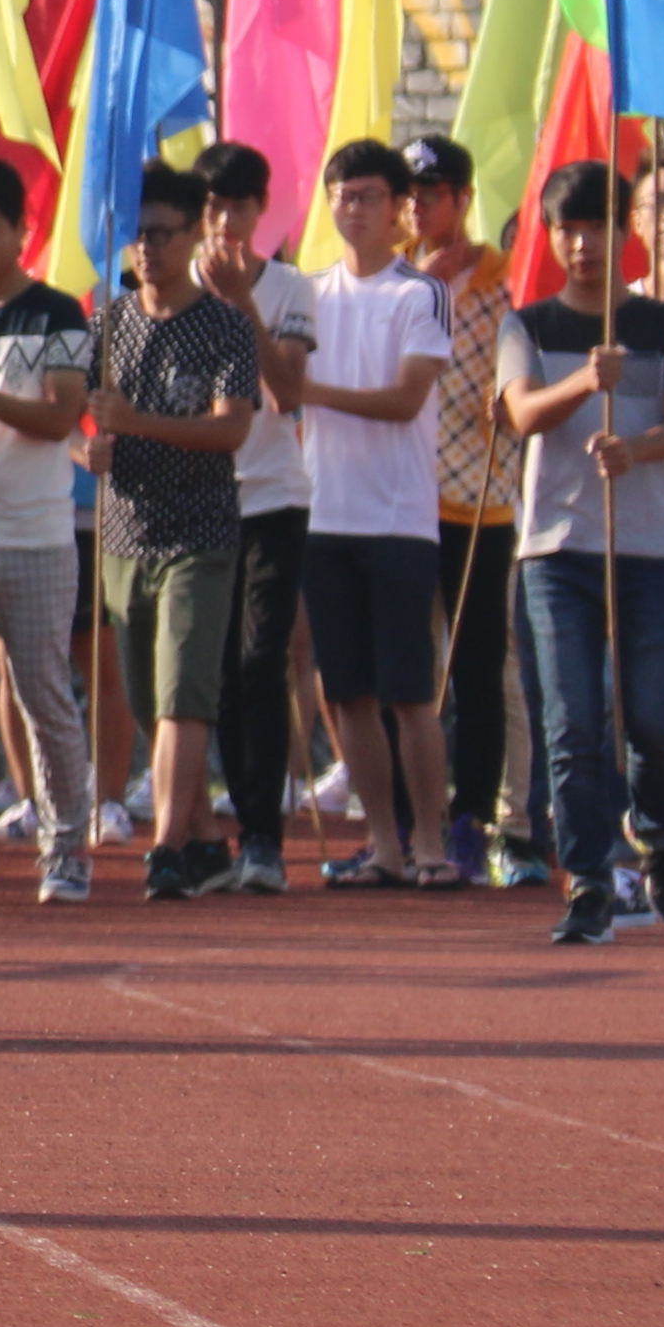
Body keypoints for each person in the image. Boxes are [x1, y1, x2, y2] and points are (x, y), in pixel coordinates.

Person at [502, 155, 664, 949]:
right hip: (556, 548)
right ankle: (587, 877)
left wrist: (641, 448)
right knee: (573, 720)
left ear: (625, 233)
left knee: (655, 715)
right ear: (552, 237)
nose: (584, 245)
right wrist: (588, 384)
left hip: (648, 545)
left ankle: (659, 835)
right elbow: (521, 414)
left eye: (599, 227)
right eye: (569, 229)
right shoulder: (530, 326)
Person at [271, 138, 454, 887]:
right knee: (348, 694)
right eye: (343, 195)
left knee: (411, 695)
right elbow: (282, 390)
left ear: (400, 209)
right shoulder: (307, 292)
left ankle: (433, 846)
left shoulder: (419, 294)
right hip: (327, 517)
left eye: (369, 196)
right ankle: (382, 843)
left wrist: (314, 394)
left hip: (400, 520)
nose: (354, 209)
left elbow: (406, 398)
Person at [85, 162, 258, 905]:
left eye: (162, 235)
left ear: (193, 234)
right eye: (137, 237)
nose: (147, 251)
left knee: (185, 692)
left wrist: (136, 425)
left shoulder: (224, 326)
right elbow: (72, 417)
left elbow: (232, 429)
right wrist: (86, 446)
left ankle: (162, 848)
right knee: (152, 698)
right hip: (122, 533)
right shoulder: (109, 322)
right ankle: (200, 842)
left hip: (200, 535)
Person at [0, 161, 99, 903]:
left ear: (21, 231)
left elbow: (59, 418)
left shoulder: (57, 313)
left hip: (39, 535)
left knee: (44, 692)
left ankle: (67, 848)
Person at [406, 140, 536, 888]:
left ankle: (482, 813)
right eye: (412, 192)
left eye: (435, 191)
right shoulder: (391, 278)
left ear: (463, 196)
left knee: (483, 666)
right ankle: (402, 813)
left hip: (481, 503)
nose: (420, 205)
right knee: (406, 670)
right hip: (398, 501)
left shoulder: (499, 282)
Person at [194, 142, 315, 894]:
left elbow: (288, 392)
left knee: (259, 661)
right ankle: (221, 824)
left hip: (272, 498)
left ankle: (264, 836)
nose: (226, 222)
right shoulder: (169, 290)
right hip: (194, 504)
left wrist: (241, 301)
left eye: (240, 207)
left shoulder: (290, 286)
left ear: (261, 211)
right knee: (211, 676)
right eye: (214, 208)